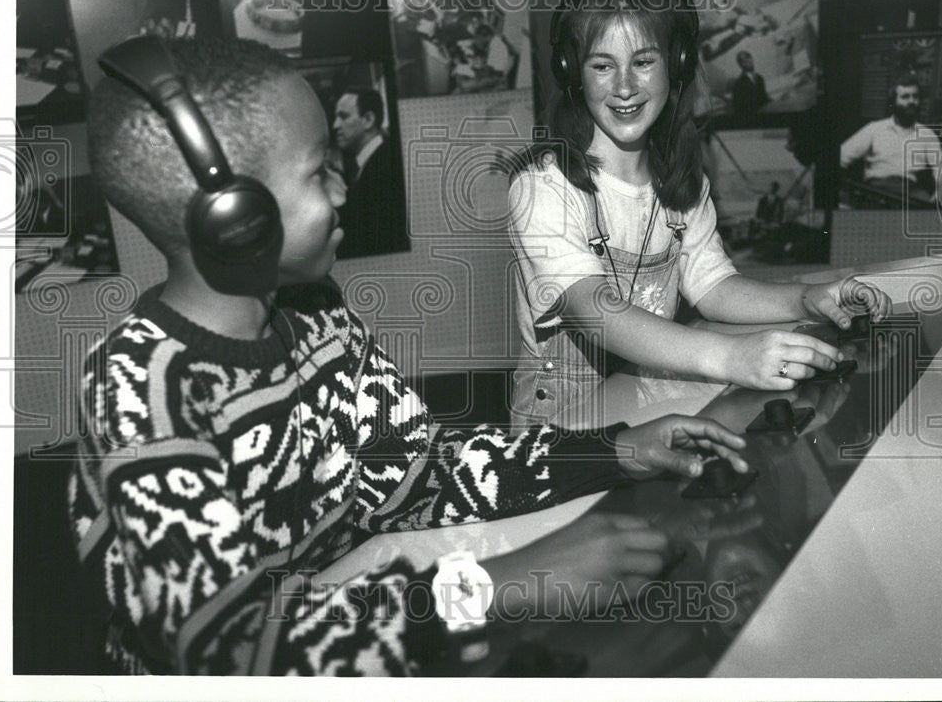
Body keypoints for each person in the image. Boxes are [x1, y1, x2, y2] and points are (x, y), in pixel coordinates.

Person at [71, 36, 752, 676]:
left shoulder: (316, 310)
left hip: (363, 611)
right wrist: (492, 587)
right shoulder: (136, 387)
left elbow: (417, 474)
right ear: (233, 218)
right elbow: (230, 650)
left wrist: (616, 451)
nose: (342, 188)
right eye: (318, 171)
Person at [508, 0, 891, 428]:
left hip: (642, 397)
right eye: (602, 65)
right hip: (560, 423)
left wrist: (806, 299)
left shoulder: (682, 182)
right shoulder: (541, 187)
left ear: (678, 64)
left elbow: (713, 286)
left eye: (644, 61)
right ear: (573, 73)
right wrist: (731, 357)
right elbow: (593, 310)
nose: (624, 86)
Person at [840, 73, 942, 204]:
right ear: (893, 102)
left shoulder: (926, 135)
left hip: (911, 193)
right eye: (905, 97)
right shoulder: (875, 129)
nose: (911, 101)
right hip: (876, 190)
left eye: (915, 97)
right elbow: (842, 155)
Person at [332, 86, 408, 257]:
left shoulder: (386, 167)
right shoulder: (372, 162)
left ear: (368, 119)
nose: (335, 125)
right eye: (336, 117)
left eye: (343, 117)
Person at [731, 50, 769, 117]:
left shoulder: (760, 78)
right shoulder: (738, 84)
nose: (747, 61)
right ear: (740, 65)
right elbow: (738, 108)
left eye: (748, 57)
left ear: (752, 58)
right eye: (743, 60)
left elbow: (764, 98)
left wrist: (778, 102)